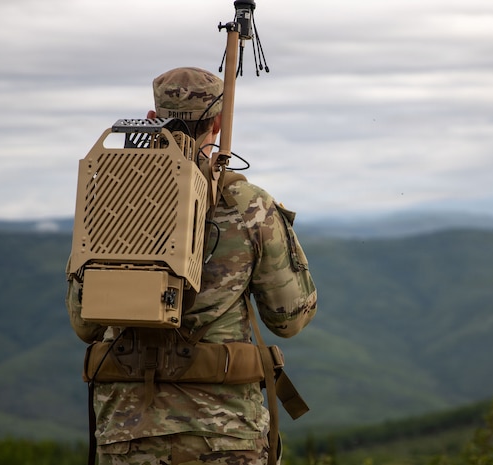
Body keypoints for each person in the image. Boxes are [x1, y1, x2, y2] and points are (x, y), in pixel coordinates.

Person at [66, 66, 318, 465]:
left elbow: (84, 324)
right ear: (217, 124)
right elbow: (288, 319)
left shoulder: (112, 196)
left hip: (126, 433)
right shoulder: (247, 204)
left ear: (152, 120)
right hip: (225, 433)